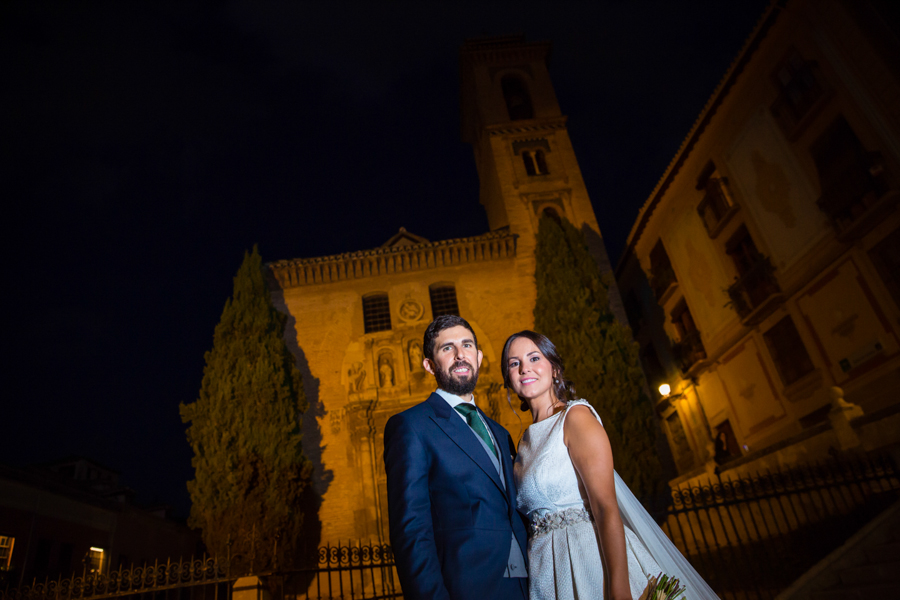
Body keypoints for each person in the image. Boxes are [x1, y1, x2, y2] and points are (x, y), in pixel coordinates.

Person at [503, 330, 719, 600]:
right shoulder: (523, 443)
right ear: (509, 379)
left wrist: (619, 589)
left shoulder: (575, 417)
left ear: (555, 369)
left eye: (534, 358)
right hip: (546, 571)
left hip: (589, 561)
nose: (525, 368)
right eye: (514, 363)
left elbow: (605, 506)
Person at [384, 315, 529, 600]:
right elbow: (411, 532)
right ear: (430, 365)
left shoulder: (500, 432)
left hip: (525, 585)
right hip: (467, 590)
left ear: (479, 356)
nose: (460, 354)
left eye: (467, 345)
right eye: (447, 348)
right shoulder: (411, 426)